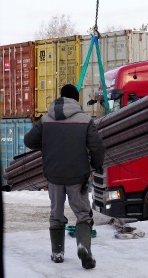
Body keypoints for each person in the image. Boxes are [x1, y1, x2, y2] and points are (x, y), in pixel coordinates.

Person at [24, 84, 105, 269]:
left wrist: (48, 145)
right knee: (83, 214)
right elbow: (97, 148)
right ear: (76, 100)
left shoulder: (45, 120)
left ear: (60, 98)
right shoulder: (85, 120)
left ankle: (57, 253)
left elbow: (29, 141)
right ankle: (83, 246)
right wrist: (95, 164)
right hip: (78, 175)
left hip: (53, 175)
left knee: (56, 214)